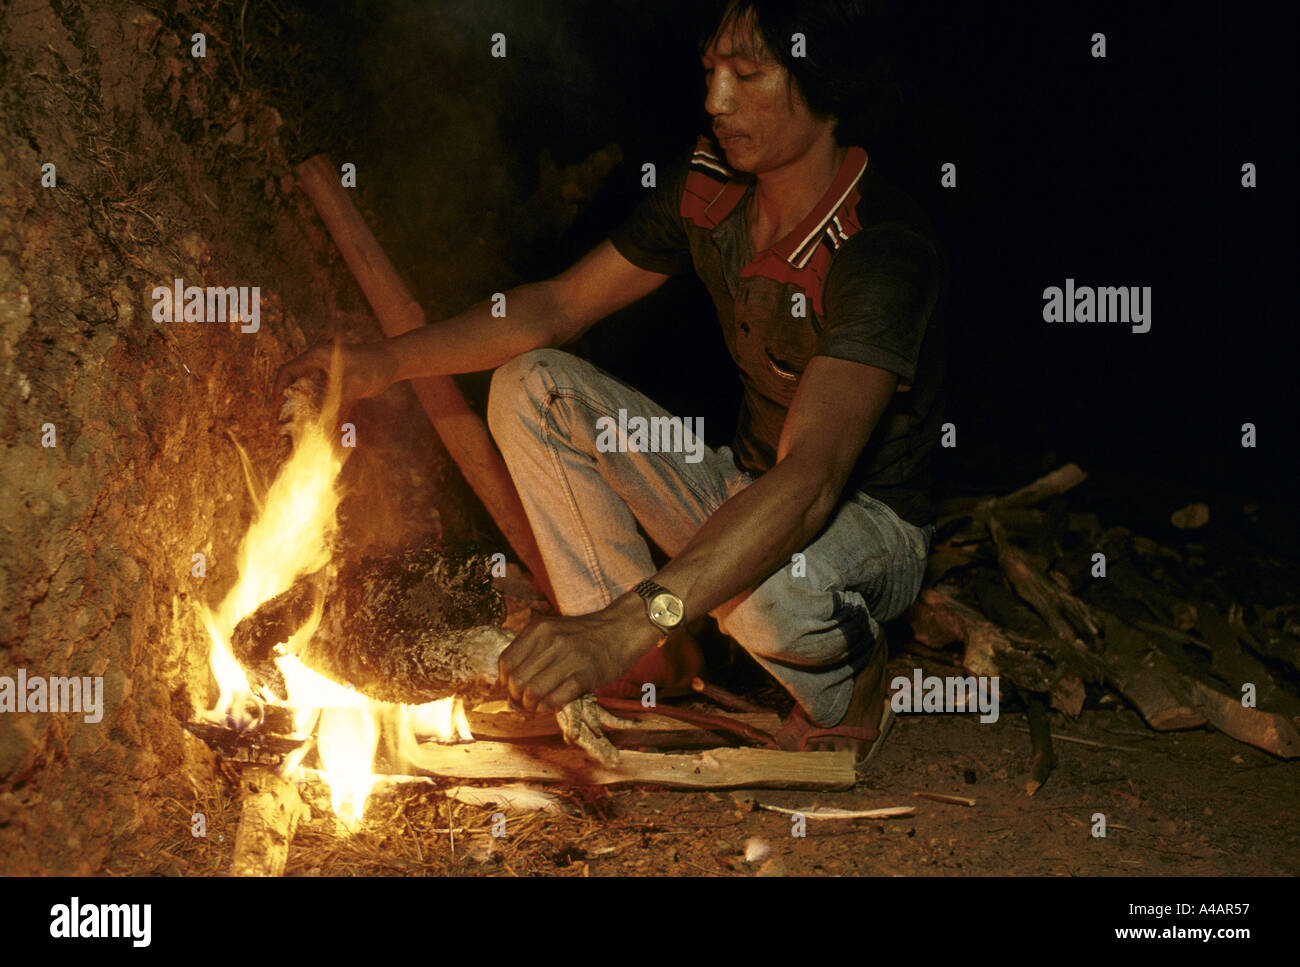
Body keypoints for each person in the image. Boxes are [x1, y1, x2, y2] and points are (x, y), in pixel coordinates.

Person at [274, 0, 947, 762]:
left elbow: (812, 480)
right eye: (711, 72)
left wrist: (628, 618)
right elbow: (555, 307)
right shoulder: (713, 188)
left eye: (748, 75)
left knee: (764, 588)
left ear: (825, 85)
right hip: (751, 486)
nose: (715, 100)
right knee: (532, 385)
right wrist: (382, 361)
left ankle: (858, 682)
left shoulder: (880, 245)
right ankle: (640, 673)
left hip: (866, 522)